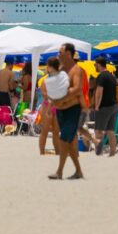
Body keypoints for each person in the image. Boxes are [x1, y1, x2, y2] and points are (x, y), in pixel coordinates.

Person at [48, 44, 84, 180]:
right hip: (60, 111)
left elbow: (77, 89)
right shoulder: (61, 70)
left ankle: (59, 172)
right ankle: (79, 171)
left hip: (72, 110)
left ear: (68, 54)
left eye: (60, 52)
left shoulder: (76, 70)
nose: (58, 55)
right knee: (68, 142)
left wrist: (62, 99)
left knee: (63, 140)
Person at [93, 56, 118, 156]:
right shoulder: (111, 76)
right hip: (114, 105)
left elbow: (99, 92)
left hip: (105, 106)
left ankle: (99, 153)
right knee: (110, 131)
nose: (94, 66)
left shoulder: (101, 76)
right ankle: (112, 153)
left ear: (99, 64)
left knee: (98, 131)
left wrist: (97, 106)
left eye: (95, 64)